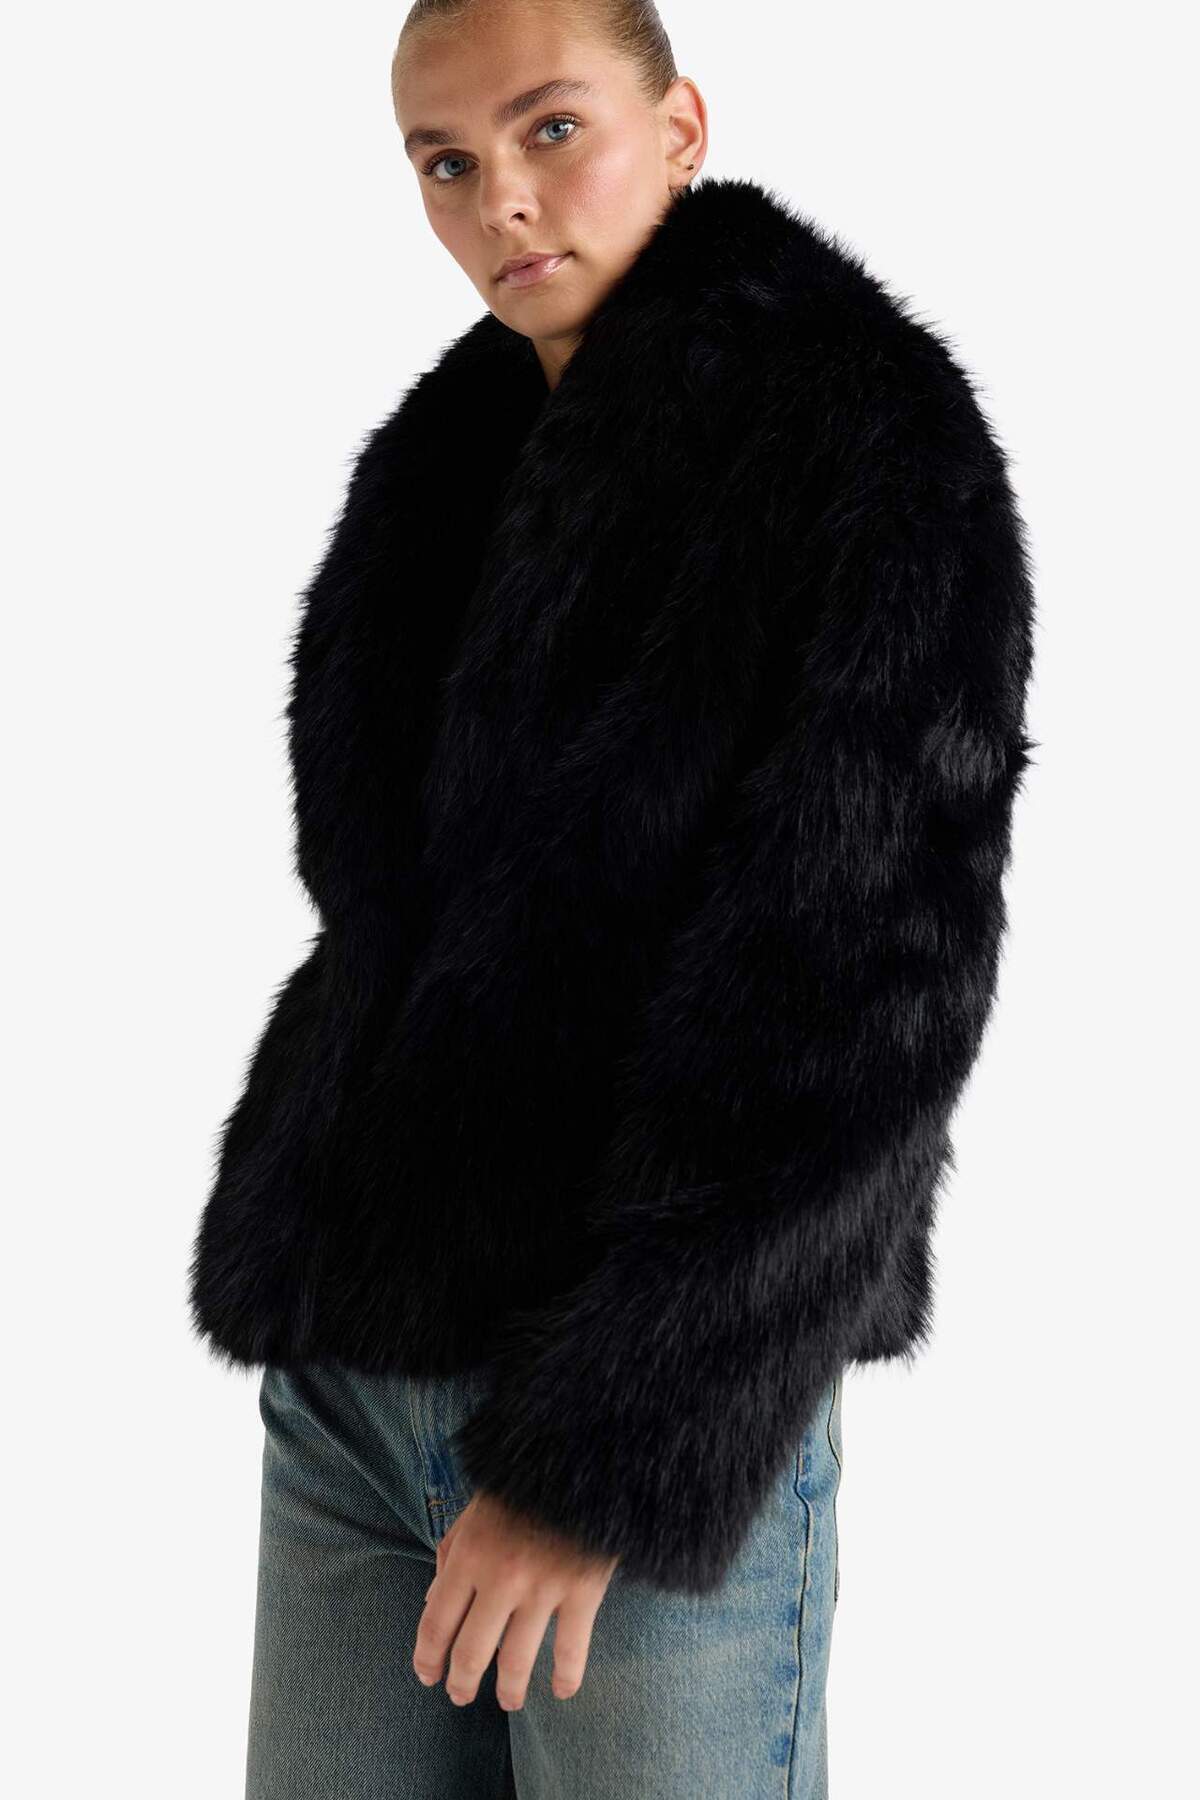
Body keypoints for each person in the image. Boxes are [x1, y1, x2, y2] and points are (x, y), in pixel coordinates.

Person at [187, 2, 1037, 1795]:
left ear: (683, 124)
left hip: (632, 1423)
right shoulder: (447, 462)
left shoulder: (864, 439)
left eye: (550, 128)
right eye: (444, 162)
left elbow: (864, 999)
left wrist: (605, 1456)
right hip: (352, 1394)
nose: (499, 197)